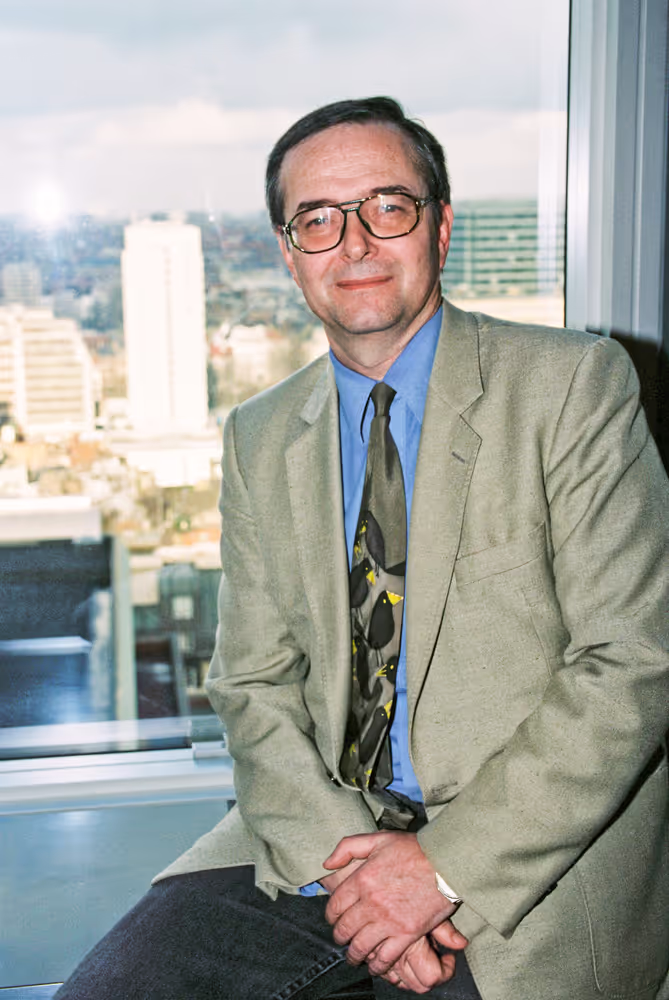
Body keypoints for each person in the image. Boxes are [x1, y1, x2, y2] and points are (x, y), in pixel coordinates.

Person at [56, 97, 669, 1000]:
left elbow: (632, 661)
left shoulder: (571, 386)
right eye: (317, 219)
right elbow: (251, 685)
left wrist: (436, 871)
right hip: (317, 837)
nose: (354, 243)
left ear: (440, 225)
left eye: (387, 206)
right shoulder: (260, 436)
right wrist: (354, 876)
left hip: (520, 860)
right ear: (286, 251)